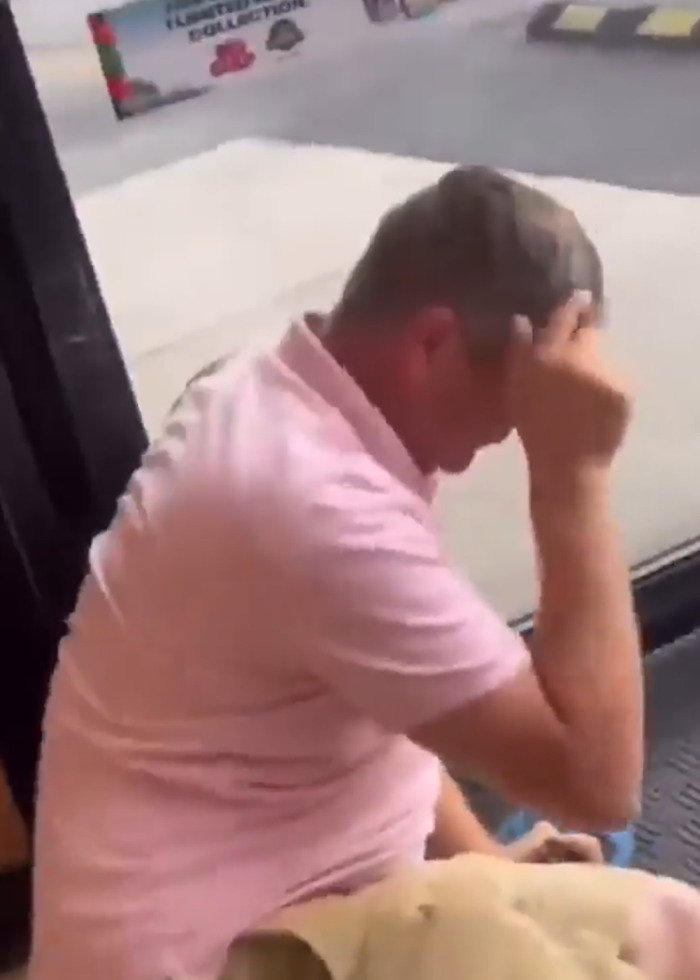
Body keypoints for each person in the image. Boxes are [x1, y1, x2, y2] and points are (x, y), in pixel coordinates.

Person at [30, 166, 644, 980]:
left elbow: (386, 710)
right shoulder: (314, 509)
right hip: (218, 956)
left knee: (627, 914)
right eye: (520, 396)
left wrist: (481, 872)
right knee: (667, 932)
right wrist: (573, 479)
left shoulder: (269, 387)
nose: (514, 429)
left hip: (298, 894)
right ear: (433, 344)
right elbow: (599, 782)